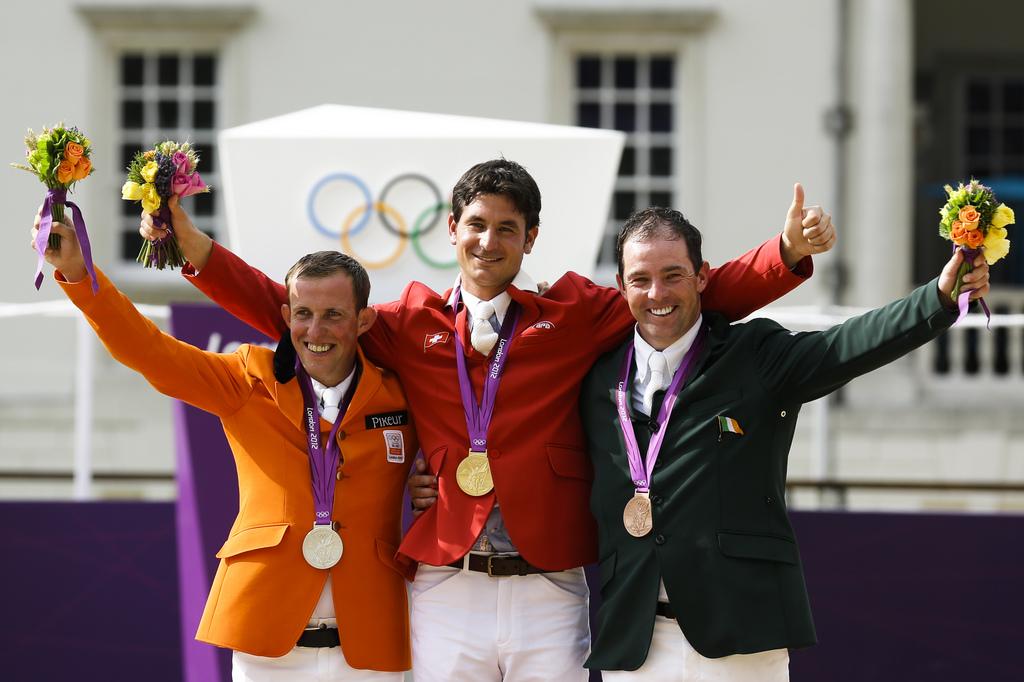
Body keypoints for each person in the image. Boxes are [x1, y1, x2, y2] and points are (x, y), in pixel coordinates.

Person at [140, 159, 835, 681]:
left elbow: (681, 301)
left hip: (549, 582)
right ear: (451, 231)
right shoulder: (407, 324)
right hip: (448, 578)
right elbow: (287, 311)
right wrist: (193, 247)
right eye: (476, 225)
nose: (489, 240)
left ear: (531, 238)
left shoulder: (571, 316)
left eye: (508, 228)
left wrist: (785, 256)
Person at [578, 207, 989, 681]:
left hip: (741, 642)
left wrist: (937, 297)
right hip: (634, 644)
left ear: (703, 277)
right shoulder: (598, 375)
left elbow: (848, 345)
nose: (657, 294)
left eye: (673, 276)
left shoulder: (754, 356)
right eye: (641, 279)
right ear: (620, 284)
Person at [36, 217, 419, 681]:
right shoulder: (246, 379)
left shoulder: (400, 396)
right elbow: (149, 351)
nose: (316, 329)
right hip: (267, 647)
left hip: (371, 643)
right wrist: (80, 274)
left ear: (364, 321)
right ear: (286, 317)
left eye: (334, 315)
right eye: (303, 313)